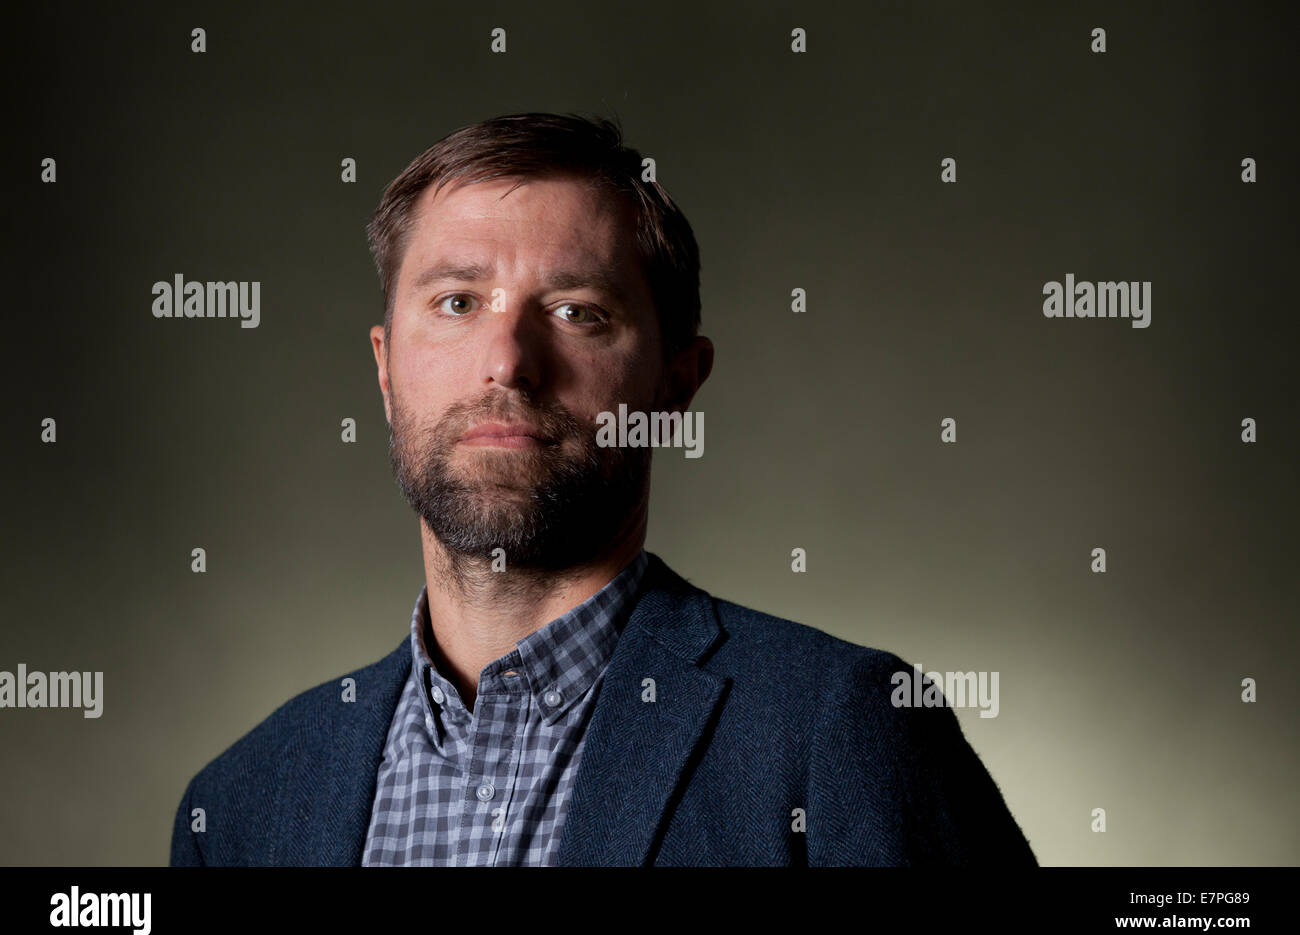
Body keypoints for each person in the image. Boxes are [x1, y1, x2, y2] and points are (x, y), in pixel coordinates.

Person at [170, 112, 1036, 866]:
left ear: (674, 383)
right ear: (386, 369)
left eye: (577, 312)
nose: (506, 362)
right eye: (458, 303)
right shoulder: (246, 803)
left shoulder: (836, 734)